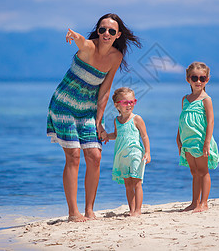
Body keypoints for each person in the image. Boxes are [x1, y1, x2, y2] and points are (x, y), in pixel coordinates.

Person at [47, 13, 142, 222]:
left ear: (117, 35)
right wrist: (74, 35)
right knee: (73, 156)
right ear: (97, 31)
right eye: (102, 29)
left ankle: (89, 210)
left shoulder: (116, 57)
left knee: (95, 157)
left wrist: (99, 122)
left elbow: (105, 90)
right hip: (64, 105)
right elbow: (81, 41)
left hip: (88, 110)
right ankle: (73, 212)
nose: (106, 33)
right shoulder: (88, 47)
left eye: (111, 31)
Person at [176, 62, 219, 213]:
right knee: (194, 172)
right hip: (187, 140)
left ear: (207, 80)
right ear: (188, 79)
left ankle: (204, 203)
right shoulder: (185, 99)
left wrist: (207, 142)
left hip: (200, 140)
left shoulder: (206, 99)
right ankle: (194, 203)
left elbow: (210, 121)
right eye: (194, 78)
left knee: (203, 171)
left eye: (202, 78)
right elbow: (182, 119)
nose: (198, 82)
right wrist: (178, 137)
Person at [105, 87, 151, 216]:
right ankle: (131, 209)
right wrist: (107, 136)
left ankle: (138, 210)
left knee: (137, 182)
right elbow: (116, 134)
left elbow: (144, 136)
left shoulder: (137, 119)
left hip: (136, 154)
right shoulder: (117, 120)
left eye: (132, 102)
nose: (129, 105)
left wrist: (147, 152)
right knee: (128, 184)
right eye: (125, 102)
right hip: (122, 156)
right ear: (117, 105)